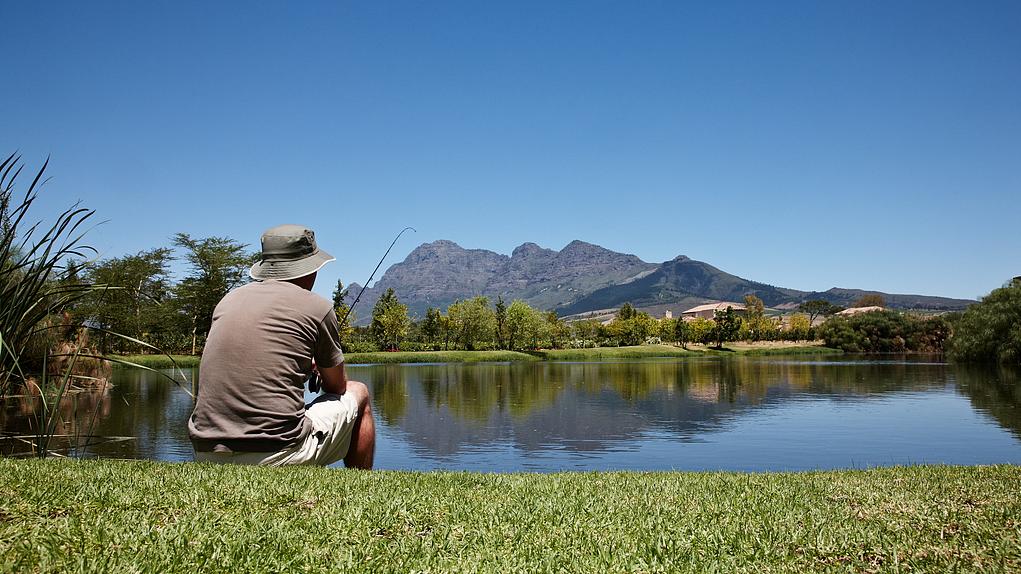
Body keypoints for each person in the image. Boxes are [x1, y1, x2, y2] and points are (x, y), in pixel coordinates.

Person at [188, 224, 375, 468]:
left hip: (205, 450)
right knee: (358, 391)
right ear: (310, 268)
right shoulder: (318, 307)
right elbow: (337, 386)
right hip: (277, 452)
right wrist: (317, 368)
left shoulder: (228, 301)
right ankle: (360, 483)